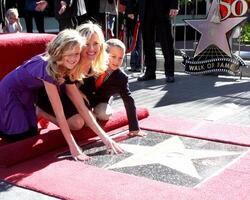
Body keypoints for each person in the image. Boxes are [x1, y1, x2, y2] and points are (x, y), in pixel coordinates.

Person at [0, 29, 122, 161]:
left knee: (30, 134)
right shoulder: (48, 69)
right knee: (18, 139)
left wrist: (107, 139)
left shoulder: (69, 67)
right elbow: (60, 114)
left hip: (28, 93)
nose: (74, 58)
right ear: (59, 52)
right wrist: (73, 147)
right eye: (68, 54)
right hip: (9, 92)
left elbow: (82, 108)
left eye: (76, 53)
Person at [93, 38, 146, 136]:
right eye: (113, 56)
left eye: (120, 58)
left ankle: (96, 113)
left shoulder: (121, 77)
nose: (117, 61)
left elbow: (128, 100)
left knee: (104, 114)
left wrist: (134, 129)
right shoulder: (93, 65)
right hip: (85, 99)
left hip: (102, 101)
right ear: (104, 54)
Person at [127, 0, 179, 83]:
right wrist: (130, 8)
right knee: (147, 43)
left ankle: (170, 73)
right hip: (145, 7)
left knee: (167, 42)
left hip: (163, 7)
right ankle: (150, 72)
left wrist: (174, 5)